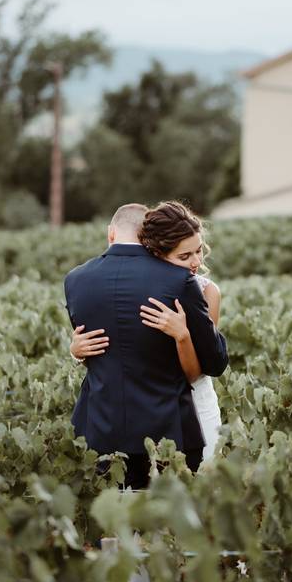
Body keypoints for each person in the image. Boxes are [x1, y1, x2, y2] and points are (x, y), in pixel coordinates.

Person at [64, 202, 228, 489]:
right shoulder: (179, 282)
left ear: (111, 233)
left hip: (100, 427)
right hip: (167, 428)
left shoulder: (75, 280)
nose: (195, 261)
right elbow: (214, 363)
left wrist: (76, 352)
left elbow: (100, 349)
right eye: (185, 254)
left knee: (113, 525)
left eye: (198, 251)